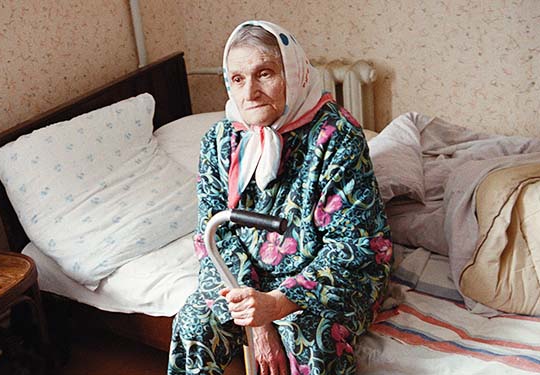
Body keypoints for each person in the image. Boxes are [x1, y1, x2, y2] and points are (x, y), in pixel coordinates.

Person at [168, 20, 391, 375]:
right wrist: (258, 320)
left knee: (311, 335)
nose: (250, 92)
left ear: (293, 73)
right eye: (238, 79)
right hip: (248, 280)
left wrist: (277, 304)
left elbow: (352, 246)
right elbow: (214, 236)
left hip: (328, 276)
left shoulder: (336, 137)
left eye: (265, 74)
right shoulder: (219, 142)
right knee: (194, 324)